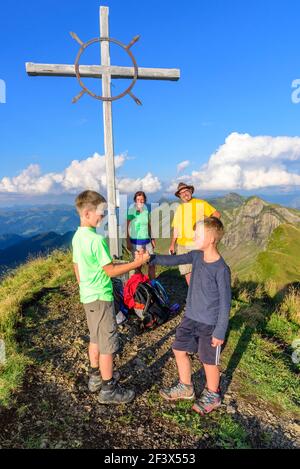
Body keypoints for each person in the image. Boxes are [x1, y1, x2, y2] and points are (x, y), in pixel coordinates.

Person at [72, 190, 150, 405]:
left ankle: (95, 377)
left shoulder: (78, 237)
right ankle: (108, 389)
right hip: (101, 297)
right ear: (88, 213)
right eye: (101, 213)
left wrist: (84, 286)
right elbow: (109, 271)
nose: (103, 217)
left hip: (88, 296)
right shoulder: (97, 240)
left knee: (95, 337)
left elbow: (77, 266)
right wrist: (136, 264)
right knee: (107, 344)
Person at [149, 217, 231, 415]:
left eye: (198, 234)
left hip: (210, 324)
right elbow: (174, 260)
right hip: (190, 317)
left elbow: (225, 302)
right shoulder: (196, 256)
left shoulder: (221, 269)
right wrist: (150, 258)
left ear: (211, 238)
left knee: (208, 360)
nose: (193, 237)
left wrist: (220, 331)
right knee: (178, 349)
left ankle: (213, 393)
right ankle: (186, 386)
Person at [170, 182, 221, 286]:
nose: (184, 194)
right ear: (179, 196)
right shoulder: (179, 209)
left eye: (186, 191)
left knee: (201, 270)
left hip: (197, 244)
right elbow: (176, 228)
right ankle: (194, 294)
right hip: (182, 245)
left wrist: (205, 229)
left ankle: (205, 294)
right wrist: (172, 244)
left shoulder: (200, 203)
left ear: (191, 191)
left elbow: (216, 215)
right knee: (187, 271)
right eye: (181, 193)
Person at [127, 191, 156, 280]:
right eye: (138, 199)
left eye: (142, 200)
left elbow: (148, 224)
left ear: (145, 200)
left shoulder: (146, 210)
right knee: (138, 265)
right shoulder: (132, 211)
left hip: (147, 241)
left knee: (152, 263)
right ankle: (138, 285)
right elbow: (127, 226)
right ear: (135, 201)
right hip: (136, 242)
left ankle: (152, 284)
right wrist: (127, 241)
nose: (140, 201)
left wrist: (152, 238)